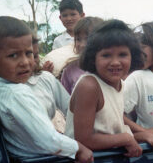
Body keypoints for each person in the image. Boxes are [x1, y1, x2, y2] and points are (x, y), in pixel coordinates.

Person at [0, 16, 93, 162]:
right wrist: (78, 148)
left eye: (29, 53)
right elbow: (49, 139)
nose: (25, 62)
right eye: (13, 55)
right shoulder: (17, 94)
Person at [64, 19, 144, 157]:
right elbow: (84, 140)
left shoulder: (120, 84)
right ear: (93, 58)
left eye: (122, 54)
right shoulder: (89, 86)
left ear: (133, 56)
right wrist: (125, 138)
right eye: (106, 55)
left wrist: (143, 134)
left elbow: (112, 123)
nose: (115, 62)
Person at [28, 35, 71, 133]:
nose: (29, 62)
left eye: (35, 56)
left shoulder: (45, 78)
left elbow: (70, 110)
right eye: (14, 56)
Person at [61, 17, 104, 94]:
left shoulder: (107, 67)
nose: (82, 45)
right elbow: (65, 101)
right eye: (78, 39)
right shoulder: (70, 70)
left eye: (88, 39)